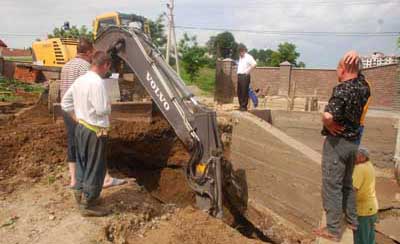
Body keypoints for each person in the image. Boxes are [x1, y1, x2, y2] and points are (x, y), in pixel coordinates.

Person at [314, 51, 371, 241]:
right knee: (347, 184)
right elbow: (361, 75)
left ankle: (332, 230)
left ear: (343, 69)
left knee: (332, 186)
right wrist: (356, 56)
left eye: (338, 68)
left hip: (337, 144)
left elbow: (329, 116)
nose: (336, 72)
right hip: (354, 143)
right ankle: (353, 220)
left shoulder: (341, 90)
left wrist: (327, 122)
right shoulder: (364, 87)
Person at [60, 38, 125, 189]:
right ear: (88, 52)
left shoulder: (66, 65)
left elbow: (66, 95)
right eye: (92, 53)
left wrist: (73, 115)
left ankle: (75, 180)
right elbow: (92, 90)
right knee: (95, 149)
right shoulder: (86, 68)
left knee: (74, 144)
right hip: (86, 114)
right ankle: (104, 179)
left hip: (69, 111)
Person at [62, 51, 112, 217]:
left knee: (83, 163)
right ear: (105, 65)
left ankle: (79, 194)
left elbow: (65, 103)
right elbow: (102, 109)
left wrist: (76, 117)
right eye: (107, 68)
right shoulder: (97, 83)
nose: (107, 71)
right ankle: (89, 204)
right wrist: (108, 105)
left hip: (81, 128)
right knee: (95, 167)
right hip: (95, 131)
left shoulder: (80, 80)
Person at [353, 147, 378, 244]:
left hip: (363, 210)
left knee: (361, 239)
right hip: (372, 207)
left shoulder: (360, 168)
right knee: (369, 238)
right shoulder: (369, 165)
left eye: (356, 156)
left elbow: (353, 190)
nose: (354, 158)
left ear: (362, 157)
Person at [237, 44, 257, 111]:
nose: (240, 53)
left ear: (244, 51)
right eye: (239, 52)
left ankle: (244, 107)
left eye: (241, 51)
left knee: (244, 92)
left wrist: (248, 71)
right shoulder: (240, 57)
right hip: (239, 76)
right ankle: (240, 105)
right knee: (239, 91)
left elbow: (254, 64)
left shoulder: (248, 57)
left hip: (245, 76)